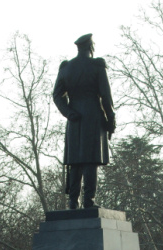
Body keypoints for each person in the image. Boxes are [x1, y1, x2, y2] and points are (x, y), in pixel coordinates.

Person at [52, 33, 116, 209]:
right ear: (91, 47)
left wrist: (69, 113)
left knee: (75, 161)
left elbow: (57, 95)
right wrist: (111, 118)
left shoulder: (66, 68)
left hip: (75, 118)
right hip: (93, 116)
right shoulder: (97, 66)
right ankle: (88, 200)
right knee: (90, 160)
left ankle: (73, 201)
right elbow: (105, 96)